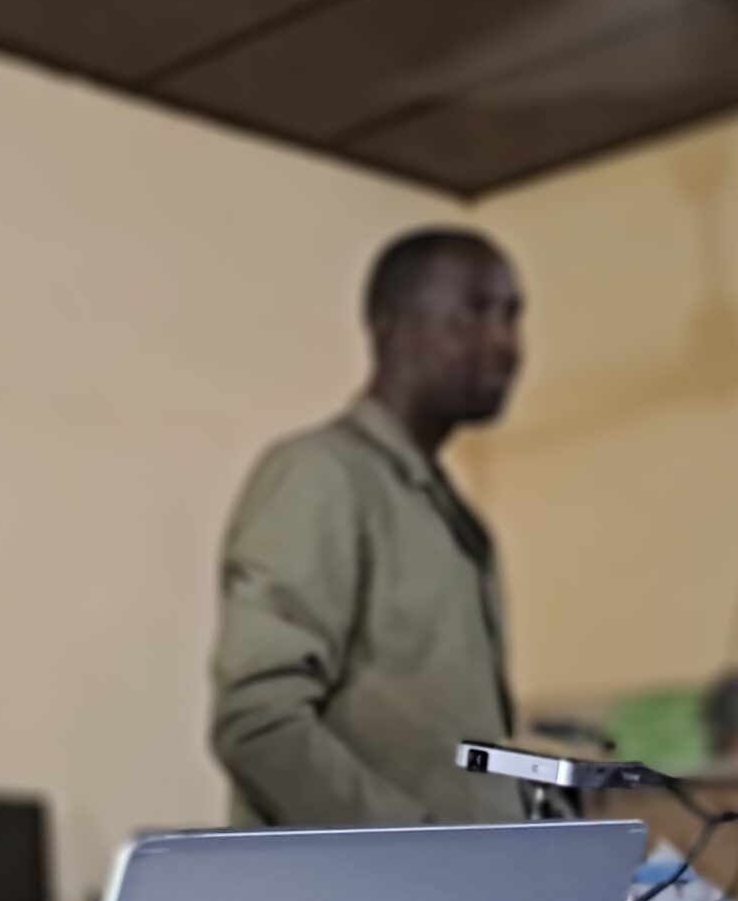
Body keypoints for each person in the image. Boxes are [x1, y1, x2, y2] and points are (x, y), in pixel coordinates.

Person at [210, 227, 525, 827]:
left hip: (452, 900)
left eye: (512, 317)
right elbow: (257, 722)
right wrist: (418, 851)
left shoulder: (447, 515)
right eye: (474, 313)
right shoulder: (319, 476)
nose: (505, 344)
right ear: (391, 327)